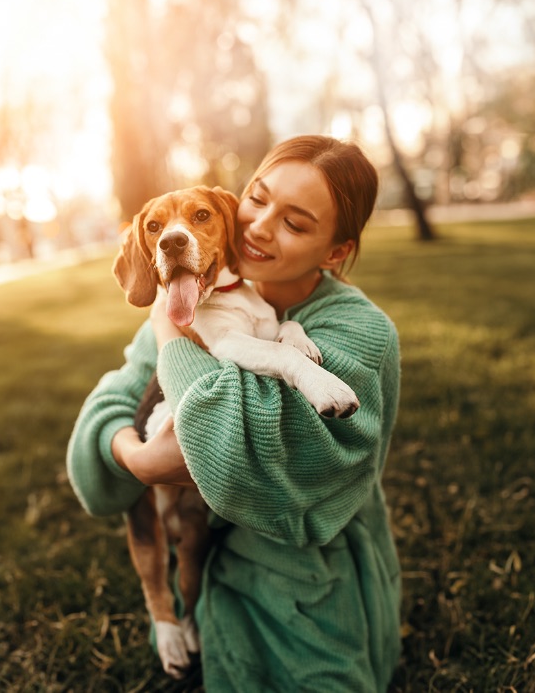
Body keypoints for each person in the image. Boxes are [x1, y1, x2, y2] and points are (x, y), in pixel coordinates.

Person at [66, 135, 402, 691]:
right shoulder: (195, 298)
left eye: (294, 223)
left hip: (312, 591)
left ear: (336, 251)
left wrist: (171, 338)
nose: (259, 227)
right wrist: (134, 457)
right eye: (257, 198)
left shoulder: (360, 333)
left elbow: (232, 450)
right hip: (204, 583)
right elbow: (107, 416)